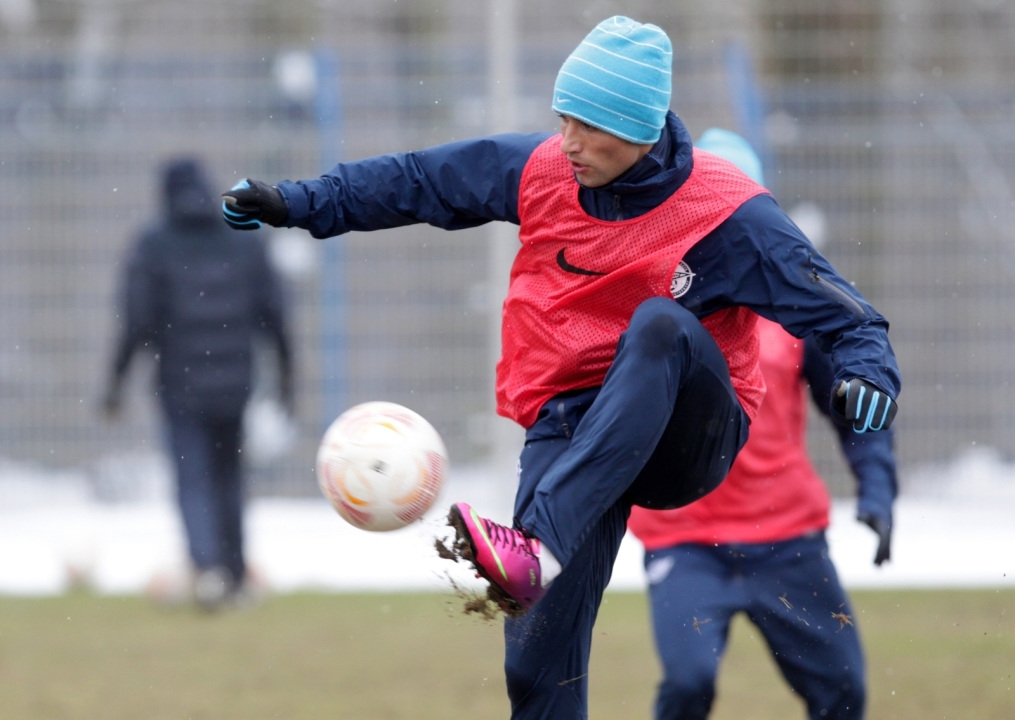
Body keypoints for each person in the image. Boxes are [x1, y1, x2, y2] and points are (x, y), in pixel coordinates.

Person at [221, 16, 900, 718]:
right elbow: (418, 180)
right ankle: (537, 559)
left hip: (688, 436)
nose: (567, 141)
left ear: (639, 128)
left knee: (660, 325)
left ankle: (534, 548)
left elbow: (845, 317)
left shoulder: (729, 215)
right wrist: (297, 202)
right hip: (574, 429)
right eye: (562, 119)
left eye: (587, 126)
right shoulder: (542, 167)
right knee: (537, 671)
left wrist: (869, 376)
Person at [628, 128, 896, 720]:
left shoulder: (799, 314)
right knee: (688, 684)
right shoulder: (653, 311)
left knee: (844, 693)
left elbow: (859, 405)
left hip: (786, 538)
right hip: (686, 540)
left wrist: (878, 485)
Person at [105, 158, 293, 610]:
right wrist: (288, 376)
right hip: (236, 381)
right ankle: (233, 572)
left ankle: (207, 567)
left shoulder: (154, 243)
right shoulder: (243, 236)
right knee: (229, 475)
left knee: (193, 476)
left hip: (180, 381)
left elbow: (135, 319)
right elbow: (275, 313)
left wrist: (116, 382)